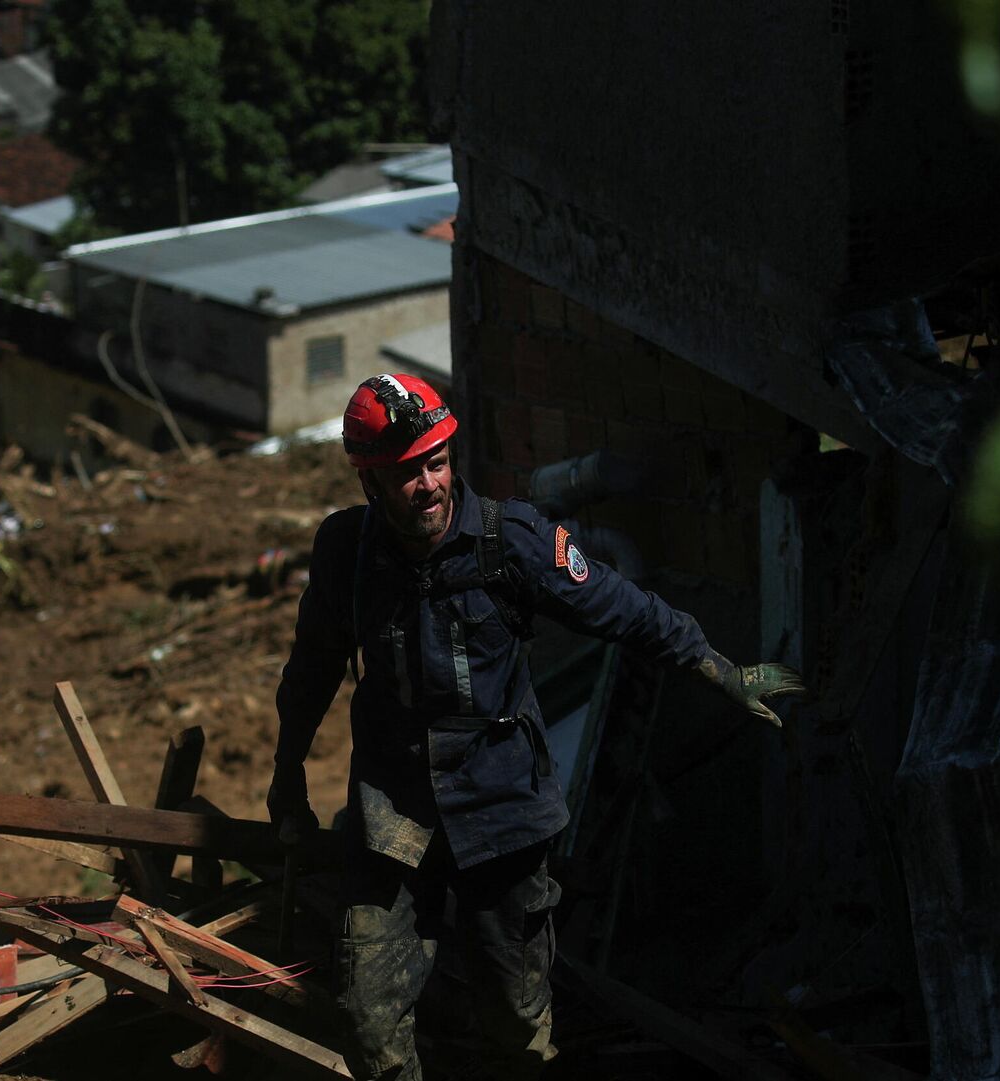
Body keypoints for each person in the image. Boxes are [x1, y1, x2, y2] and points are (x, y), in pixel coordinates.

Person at [268, 373, 805, 1080]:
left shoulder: (510, 540)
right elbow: (311, 671)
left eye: (436, 462)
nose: (427, 484)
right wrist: (288, 775)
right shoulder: (347, 551)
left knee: (515, 1025)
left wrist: (718, 667)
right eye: (405, 473)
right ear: (369, 479)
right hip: (394, 807)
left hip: (500, 807)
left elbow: (627, 609)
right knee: (370, 1018)